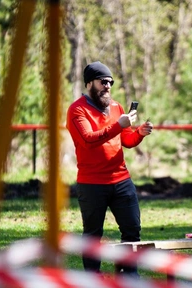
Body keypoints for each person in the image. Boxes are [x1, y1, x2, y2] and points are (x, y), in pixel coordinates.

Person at [66, 61, 153, 273]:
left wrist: (139, 133)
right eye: (103, 81)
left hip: (121, 179)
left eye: (110, 82)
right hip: (92, 183)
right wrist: (118, 126)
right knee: (93, 235)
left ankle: (128, 276)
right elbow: (88, 140)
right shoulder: (77, 110)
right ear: (89, 83)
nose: (108, 86)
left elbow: (127, 141)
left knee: (132, 228)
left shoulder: (116, 108)